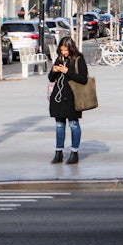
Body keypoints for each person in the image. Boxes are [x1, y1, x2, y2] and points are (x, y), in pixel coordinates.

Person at [47, 36, 89, 165]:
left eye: (65, 50)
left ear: (71, 48)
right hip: (58, 98)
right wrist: (54, 71)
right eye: (61, 50)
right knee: (59, 125)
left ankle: (74, 152)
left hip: (72, 98)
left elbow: (83, 79)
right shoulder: (60, 59)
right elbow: (51, 79)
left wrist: (67, 71)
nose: (63, 53)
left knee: (73, 124)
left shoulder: (79, 60)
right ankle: (58, 152)